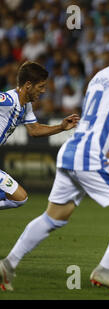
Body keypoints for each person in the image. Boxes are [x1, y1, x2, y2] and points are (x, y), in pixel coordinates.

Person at [0, 29, 109, 295]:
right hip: (93, 157)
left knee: (55, 216)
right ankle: (105, 269)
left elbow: (102, 118)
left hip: (71, 151)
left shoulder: (99, 76)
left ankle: (8, 264)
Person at [0, 61, 79, 211]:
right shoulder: (9, 100)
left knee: (19, 198)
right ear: (28, 85)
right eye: (41, 86)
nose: (43, 91)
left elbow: (35, 130)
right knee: (18, 197)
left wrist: (61, 127)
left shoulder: (25, 105)